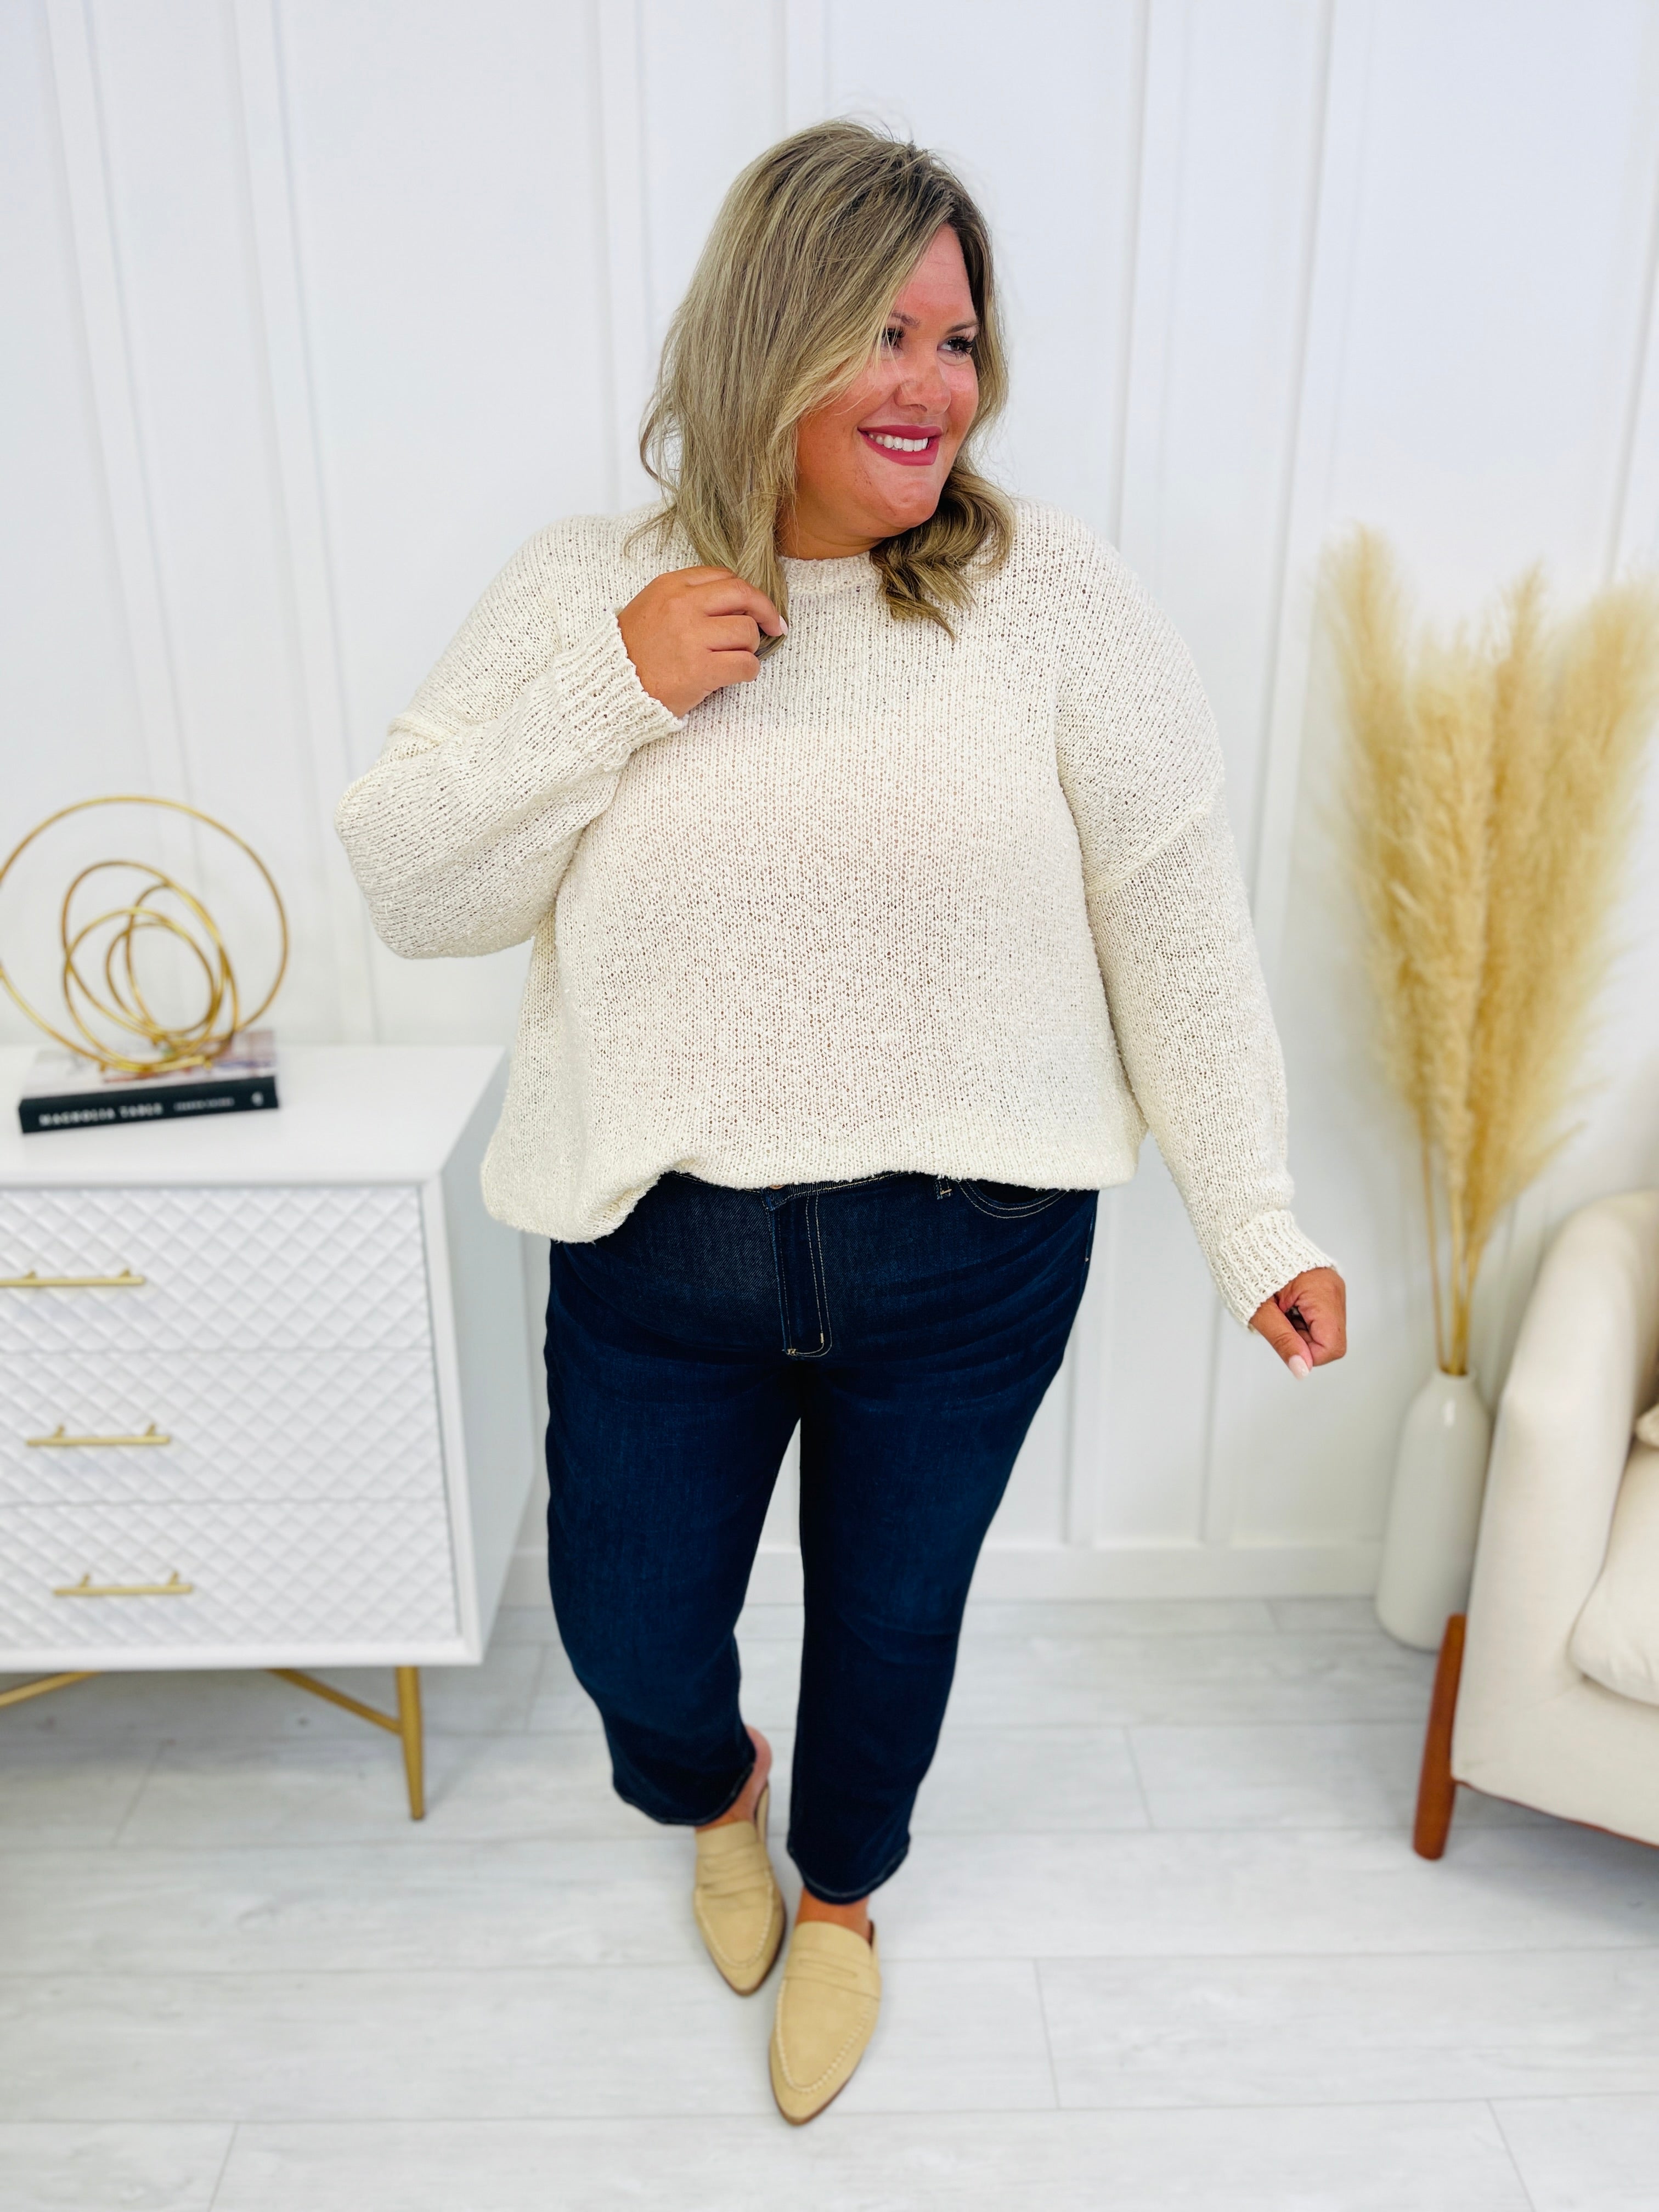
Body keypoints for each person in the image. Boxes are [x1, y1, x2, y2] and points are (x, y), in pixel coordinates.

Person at [336, 119, 1347, 2126]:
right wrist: (614, 692)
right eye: (884, 333)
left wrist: (1258, 1220)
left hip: (968, 1251)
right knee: (631, 1633)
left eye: (957, 341)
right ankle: (716, 1792)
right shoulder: (591, 589)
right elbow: (414, 886)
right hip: (662, 1246)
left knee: (891, 1624)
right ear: (769, 331)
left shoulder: (1050, 598)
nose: (933, 386)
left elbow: (1173, 920)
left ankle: (845, 1897)